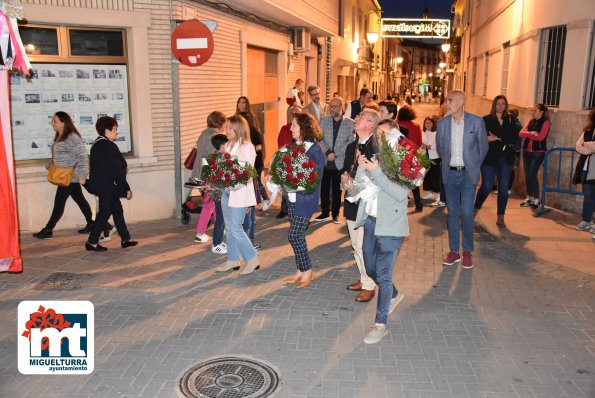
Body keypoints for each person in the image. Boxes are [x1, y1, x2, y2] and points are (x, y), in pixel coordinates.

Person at [352, 109, 409, 344]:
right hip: (371, 222)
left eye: (385, 135)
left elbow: (398, 193)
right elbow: (359, 188)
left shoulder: (403, 164)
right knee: (371, 269)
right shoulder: (375, 159)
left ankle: (379, 324)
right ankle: (394, 294)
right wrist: (353, 180)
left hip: (391, 228)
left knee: (383, 275)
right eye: (379, 135)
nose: (380, 139)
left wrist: (376, 173)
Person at [436, 90, 488, 269]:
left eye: (449, 101)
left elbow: (483, 148)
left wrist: (474, 165)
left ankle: (467, 251)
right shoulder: (442, 124)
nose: (446, 105)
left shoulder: (476, 121)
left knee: (466, 213)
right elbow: (441, 149)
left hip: (468, 175)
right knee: (452, 213)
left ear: (459, 102)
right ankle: (453, 252)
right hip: (450, 175)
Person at [33, 111, 94, 239]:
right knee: (80, 199)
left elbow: (83, 157)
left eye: (55, 121)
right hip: (64, 175)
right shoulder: (60, 136)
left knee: (59, 202)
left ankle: (48, 229)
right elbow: (63, 155)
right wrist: (52, 164)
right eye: (52, 121)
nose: (52, 123)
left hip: (71, 176)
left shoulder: (72, 137)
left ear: (63, 123)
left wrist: (82, 175)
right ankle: (92, 223)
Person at [282, 112, 325, 288]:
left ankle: (308, 271)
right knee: (298, 236)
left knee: (294, 235)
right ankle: (300, 270)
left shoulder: (315, 150)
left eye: (294, 125)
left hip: (306, 200)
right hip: (292, 198)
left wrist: (296, 181)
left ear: (304, 128)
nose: (290, 128)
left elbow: (315, 177)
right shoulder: (294, 147)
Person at [215, 115, 261, 275]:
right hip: (226, 192)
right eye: (226, 127)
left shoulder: (247, 147)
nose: (226, 130)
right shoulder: (227, 146)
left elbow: (247, 173)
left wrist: (231, 185)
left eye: (229, 127)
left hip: (239, 193)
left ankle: (252, 258)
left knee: (236, 228)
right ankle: (233, 260)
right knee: (229, 228)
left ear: (238, 129)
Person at [85, 116, 138, 251]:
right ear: (106, 130)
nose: (116, 132)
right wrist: (126, 189)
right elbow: (116, 170)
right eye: (114, 129)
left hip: (105, 187)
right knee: (104, 213)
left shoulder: (98, 144)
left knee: (117, 211)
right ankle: (92, 242)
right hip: (107, 188)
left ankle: (126, 239)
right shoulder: (107, 146)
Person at [473, 95, 522, 227]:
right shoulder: (486, 119)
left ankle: (501, 216)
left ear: (506, 106)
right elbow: (479, 136)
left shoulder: (512, 120)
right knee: (487, 186)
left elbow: (513, 138)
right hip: (489, 157)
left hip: (506, 158)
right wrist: (487, 138)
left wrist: (497, 137)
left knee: (503, 188)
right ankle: (475, 209)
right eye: (498, 104)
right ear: (494, 105)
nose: (500, 106)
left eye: (503, 104)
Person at [314, 97, 355, 224]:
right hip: (326, 160)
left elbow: (351, 142)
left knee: (337, 189)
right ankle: (325, 212)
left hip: (339, 160)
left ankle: (335, 214)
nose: (332, 109)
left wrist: (335, 154)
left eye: (335, 106)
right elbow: (319, 138)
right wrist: (327, 152)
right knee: (324, 188)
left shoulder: (350, 123)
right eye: (331, 106)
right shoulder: (324, 120)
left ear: (341, 107)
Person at [192, 111, 226, 244]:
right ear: (219, 123)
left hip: (201, 173)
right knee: (209, 203)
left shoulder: (204, 133)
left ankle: (220, 226)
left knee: (214, 202)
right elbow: (213, 156)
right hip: (209, 175)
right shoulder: (214, 137)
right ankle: (200, 232)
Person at [196, 134, 229, 254]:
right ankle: (217, 244)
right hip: (216, 192)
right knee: (220, 218)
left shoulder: (210, 157)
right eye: (227, 144)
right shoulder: (220, 158)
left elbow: (204, 174)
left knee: (219, 217)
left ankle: (218, 240)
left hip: (212, 191)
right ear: (222, 145)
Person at [518, 104, 550, 209]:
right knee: (528, 175)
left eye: (535, 110)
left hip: (538, 152)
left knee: (532, 174)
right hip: (527, 151)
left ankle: (537, 199)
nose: (532, 112)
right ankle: (529, 198)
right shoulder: (531, 121)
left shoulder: (546, 122)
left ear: (541, 112)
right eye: (532, 110)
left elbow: (541, 137)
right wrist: (531, 133)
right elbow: (521, 133)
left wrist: (529, 134)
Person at [275, 105, 302, 219]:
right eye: (293, 114)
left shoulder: (303, 130)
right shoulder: (284, 129)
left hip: (299, 162)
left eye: (297, 114)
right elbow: (281, 144)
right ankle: (284, 208)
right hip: (286, 161)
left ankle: (298, 211)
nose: (294, 116)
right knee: (285, 187)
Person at [240, 111, 269, 211]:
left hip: (256, 162)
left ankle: (265, 199)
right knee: (252, 183)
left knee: (257, 182)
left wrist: (249, 148)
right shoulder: (242, 133)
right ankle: (258, 202)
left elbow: (259, 146)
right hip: (248, 162)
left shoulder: (254, 132)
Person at [573, 109, 595, 234]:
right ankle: (585, 220)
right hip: (585, 168)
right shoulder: (588, 130)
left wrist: (588, 146)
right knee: (588, 195)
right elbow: (578, 145)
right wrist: (590, 149)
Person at [397, 105, 423, 212]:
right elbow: (419, 143)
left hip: (399, 156)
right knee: (414, 181)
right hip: (412, 156)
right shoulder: (416, 126)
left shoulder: (397, 126)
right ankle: (418, 204)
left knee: (399, 181)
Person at [421, 116, 446, 207]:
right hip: (427, 156)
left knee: (436, 176)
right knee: (428, 176)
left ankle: (439, 195)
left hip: (435, 157)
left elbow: (435, 146)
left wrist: (426, 146)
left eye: (429, 123)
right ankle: (430, 193)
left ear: (433, 124)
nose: (427, 125)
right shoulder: (425, 132)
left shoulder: (436, 133)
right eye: (425, 123)